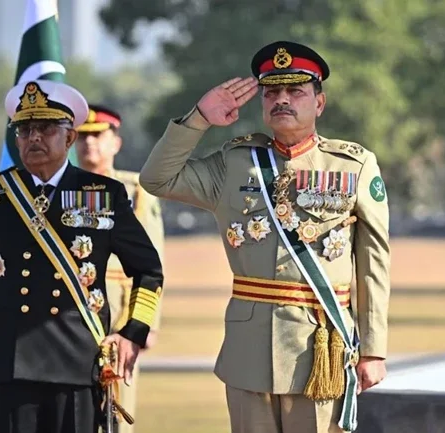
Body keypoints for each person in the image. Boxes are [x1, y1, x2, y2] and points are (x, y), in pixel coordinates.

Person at [139, 40, 391, 433]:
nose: (282, 100)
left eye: (295, 91)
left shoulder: (353, 165)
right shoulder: (235, 163)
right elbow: (157, 179)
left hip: (319, 349)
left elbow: (373, 262)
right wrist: (199, 119)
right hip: (249, 351)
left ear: (319, 103)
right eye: (272, 93)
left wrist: (373, 350)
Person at [0, 79, 164, 433]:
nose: (34, 138)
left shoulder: (102, 193)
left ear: (70, 137)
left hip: (77, 359)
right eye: (24, 130)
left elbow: (149, 270)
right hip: (12, 362)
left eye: (45, 129)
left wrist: (133, 332)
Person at [76, 103, 166, 433]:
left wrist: (145, 322)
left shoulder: (135, 192)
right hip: (73, 310)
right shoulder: (62, 191)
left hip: (119, 311)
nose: (89, 143)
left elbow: (154, 261)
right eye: (82, 136)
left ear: (116, 142)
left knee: (116, 407)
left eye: (98, 135)